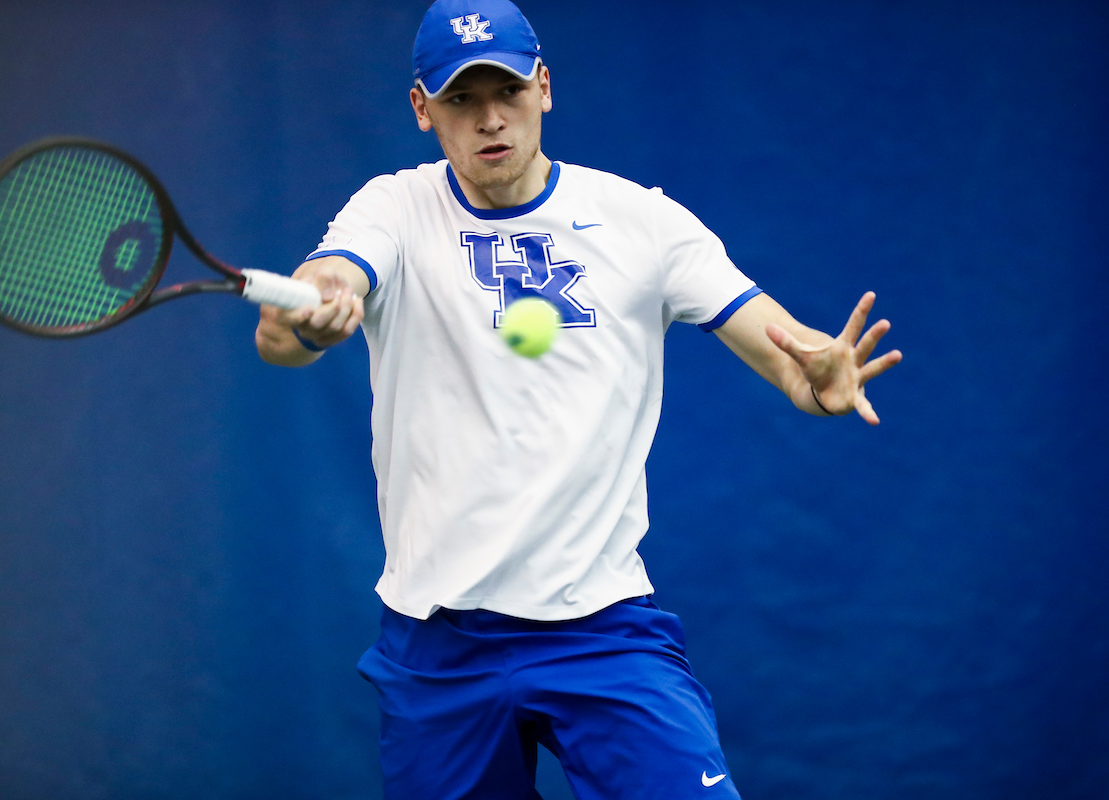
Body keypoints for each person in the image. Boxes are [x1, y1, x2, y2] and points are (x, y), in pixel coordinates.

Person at [255, 1, 902, 797]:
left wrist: (814, 372)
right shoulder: (392, 208)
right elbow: (299, 317)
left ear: (545, 87)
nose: (491, 119)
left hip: (603, 628)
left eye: (510, 92)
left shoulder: (644, 222)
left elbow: (783, 343)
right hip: (438, 641)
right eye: (462, 99)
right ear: (423, 110)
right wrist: (318, 311)